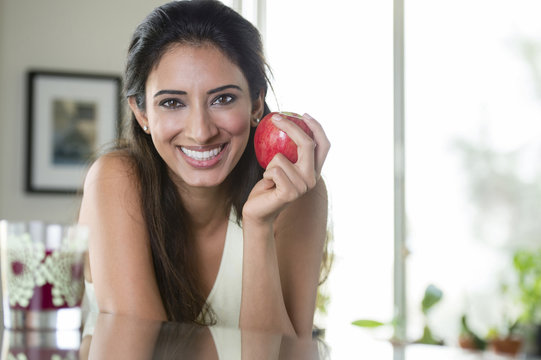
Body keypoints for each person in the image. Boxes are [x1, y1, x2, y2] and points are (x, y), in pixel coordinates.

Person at [78, 0, 330, 338]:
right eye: (172, 102)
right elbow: (147, 351)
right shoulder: (115, 178)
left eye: (223, 99)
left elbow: (282, 355)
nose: (201, 131)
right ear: (142, 115)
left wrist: (258, 226)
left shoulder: (294, 190)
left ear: (256, 102)